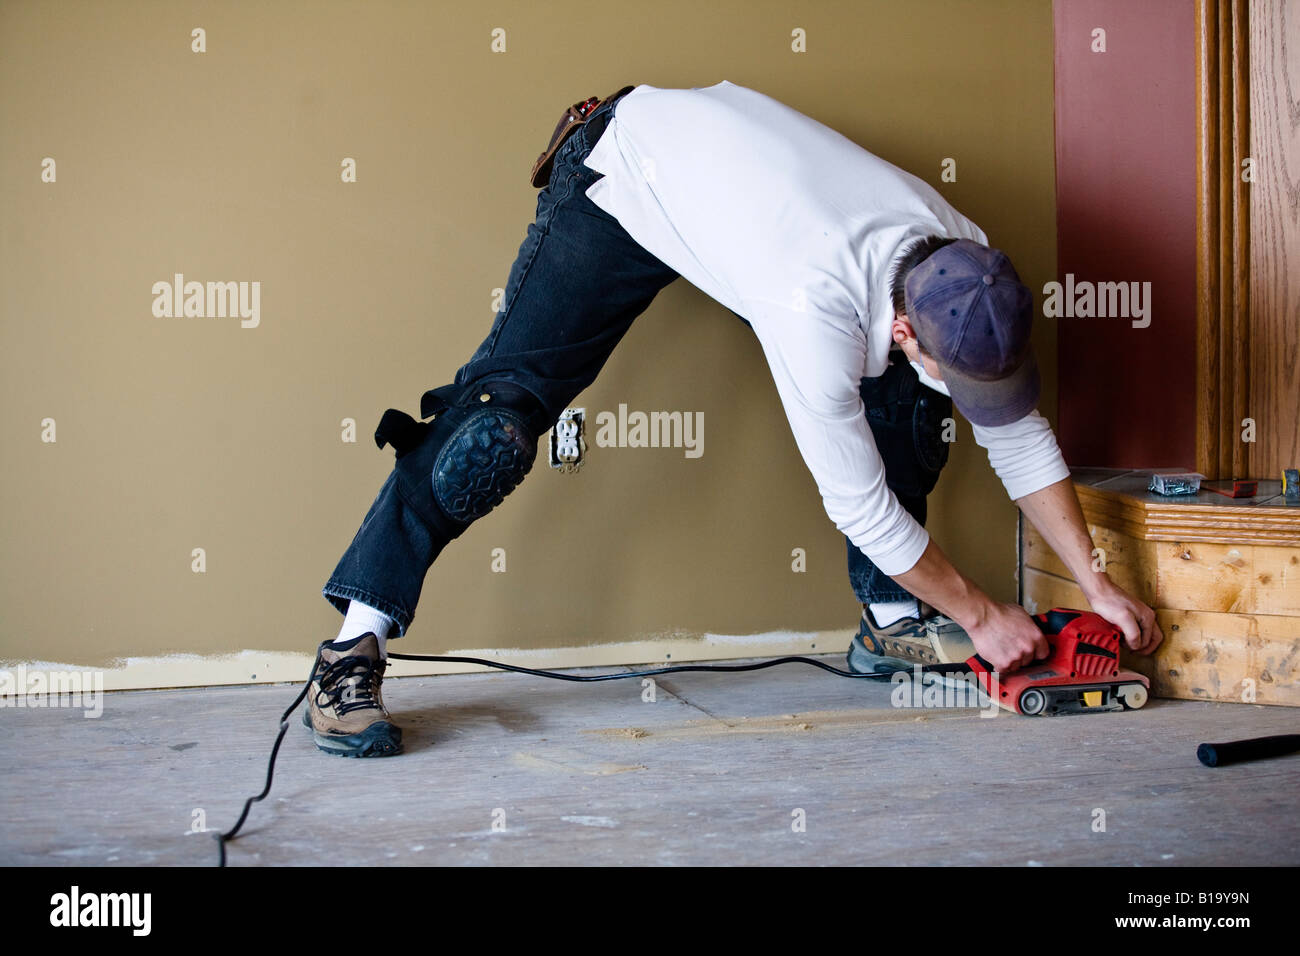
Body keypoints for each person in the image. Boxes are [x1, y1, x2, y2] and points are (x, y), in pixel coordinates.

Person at [304, 81, 1163, 757]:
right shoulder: (812, 309)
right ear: (902, 325)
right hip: (625, 171)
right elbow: (857, 503)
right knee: (487, 437)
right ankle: (353, 647)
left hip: (750, 204)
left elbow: (1018, 434)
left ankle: (889, 621)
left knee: (912, 400)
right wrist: (982, 615)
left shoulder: (961, 260)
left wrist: (1097, 583)